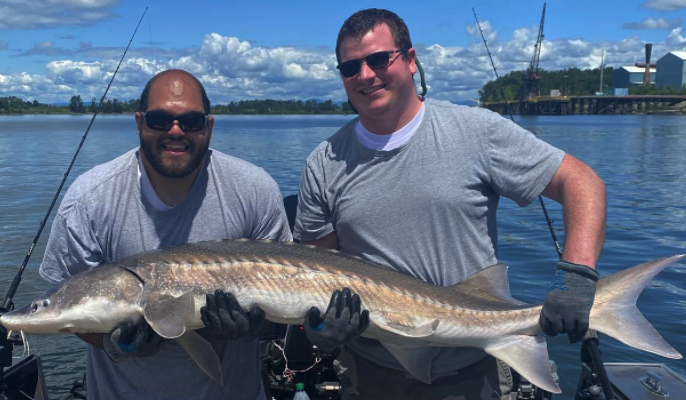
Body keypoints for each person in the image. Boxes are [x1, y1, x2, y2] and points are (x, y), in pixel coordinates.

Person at [294, 8, 606, 400]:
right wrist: (320, 328)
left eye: (378, 60)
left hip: (472, 363)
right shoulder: (323, 163)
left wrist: (577, 272)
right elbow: (315, 271)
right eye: (350, 67)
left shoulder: (475, 130)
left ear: (410, 60)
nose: (366, 75)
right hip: (369, 370)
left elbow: (581, 181)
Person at [39, 69, 292, 400]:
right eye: (160, 119)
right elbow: (70, 313)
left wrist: (254, 329)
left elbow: (287, 293)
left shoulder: (255, 189)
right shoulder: (90, 198)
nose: (176, 131)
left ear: (209, 126)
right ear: (139, 123)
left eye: (191, 121)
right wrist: (113, 344)